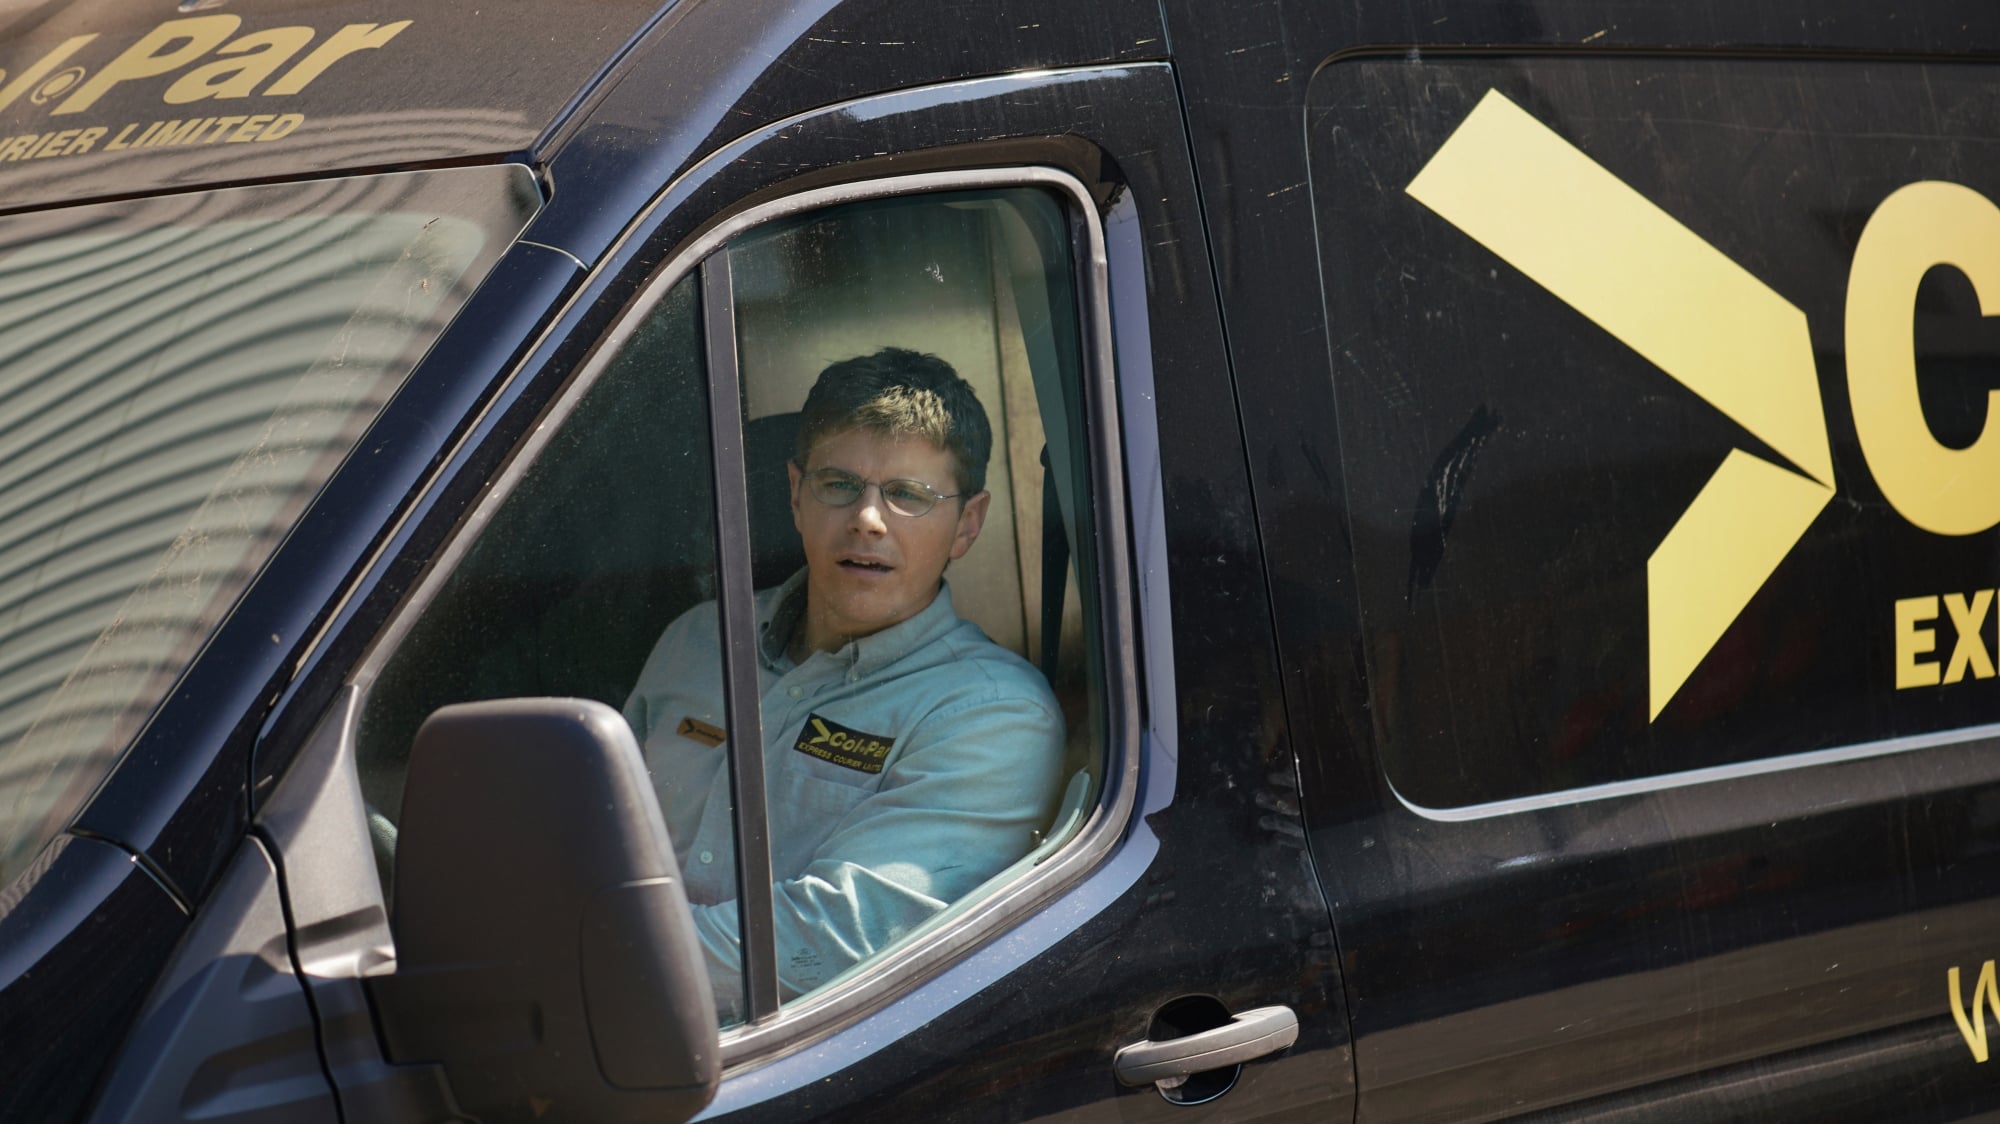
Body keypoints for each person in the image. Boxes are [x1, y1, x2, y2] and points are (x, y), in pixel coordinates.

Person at [622, 347, 1066, 1019]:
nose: (868, 518)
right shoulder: (699, 639)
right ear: (795, 495)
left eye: (908, 495)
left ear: (967, 525)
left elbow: (834, 938)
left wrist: (594, 957)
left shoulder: (993, 715)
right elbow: (592, 835)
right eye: (838, 484)